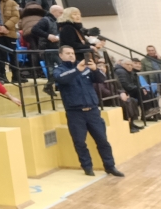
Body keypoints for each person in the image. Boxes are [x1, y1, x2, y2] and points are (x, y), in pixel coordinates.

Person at [52, 46, 125, 177]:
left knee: (103, 140)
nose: (71, 55)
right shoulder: (59, 70)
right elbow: (61, 78)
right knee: (80, 142)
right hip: (75, 113)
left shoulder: (85, 68)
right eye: (67, 53)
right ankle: (87, 167)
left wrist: (95, 69)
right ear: (61, 55)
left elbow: (101, 79)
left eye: (72, 53)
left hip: (93, 111)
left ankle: (110, 166)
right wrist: (77, 70)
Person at [0, 0, 21, 81]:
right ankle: (2, 75)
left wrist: (6, 26)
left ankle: (16, 76)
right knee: (1, 55)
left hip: (10, 33)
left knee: (13, 55)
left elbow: (16, 16)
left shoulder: (12, 2)